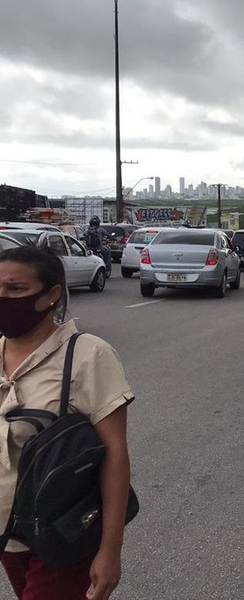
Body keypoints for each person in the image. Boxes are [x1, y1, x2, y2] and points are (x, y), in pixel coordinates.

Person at [0, 245, 135, 598]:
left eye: (16, 289)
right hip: (8, 535)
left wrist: (110, 552)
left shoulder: (88, 355)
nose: (3, 298)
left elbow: (115, 455)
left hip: (63, 531)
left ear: (52, 295)